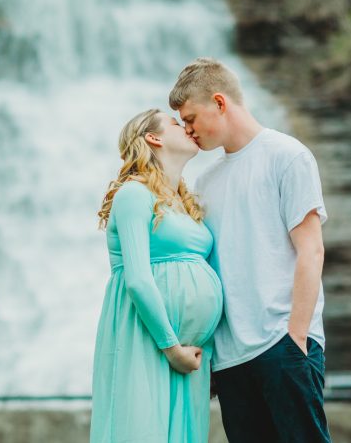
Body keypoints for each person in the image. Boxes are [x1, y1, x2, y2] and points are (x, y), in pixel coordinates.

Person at [169, 57, 331, 443]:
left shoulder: (287, 156)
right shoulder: (204, 182)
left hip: (283, 344)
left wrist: (296, 338)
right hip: (230, 361)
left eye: (190, 118)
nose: (187, 130)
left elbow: (311, 251)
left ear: (219, 102)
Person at [89, 108, 223, 443]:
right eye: (177, 123)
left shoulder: (185, 203)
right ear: (153, 138)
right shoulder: (134, 194)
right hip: (150, 338)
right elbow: (137, 279)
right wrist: (171, 348)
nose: (188, 128)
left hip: (192, 352)